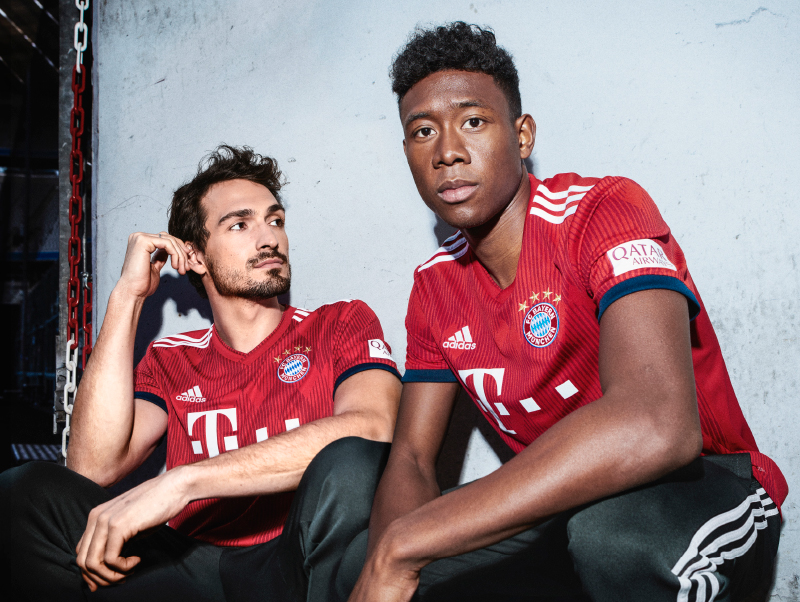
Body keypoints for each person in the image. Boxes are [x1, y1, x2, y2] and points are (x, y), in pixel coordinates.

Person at [343, 22, 787, 602]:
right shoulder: (434, 287)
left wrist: (408, 543)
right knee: (379, 565)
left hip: (707, 485)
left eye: (473, 121)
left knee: (611, 539)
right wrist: (387, 559)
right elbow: (412, 459)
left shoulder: (601, 211)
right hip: (565, 511)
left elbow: (657, 423)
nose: (447, 152)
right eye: (422, 131)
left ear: (522, 135)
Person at [0, 145, 401, 602]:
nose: (268, 238)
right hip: (189, 566)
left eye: (275, 220)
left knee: (350, 461)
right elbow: (92, 467)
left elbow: (373, 428)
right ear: (195, 256)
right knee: (23, 493)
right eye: (239, 225)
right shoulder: (172, 358)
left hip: (294, 560)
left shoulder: (339, 323)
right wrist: (128, 296)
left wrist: (182, 482)